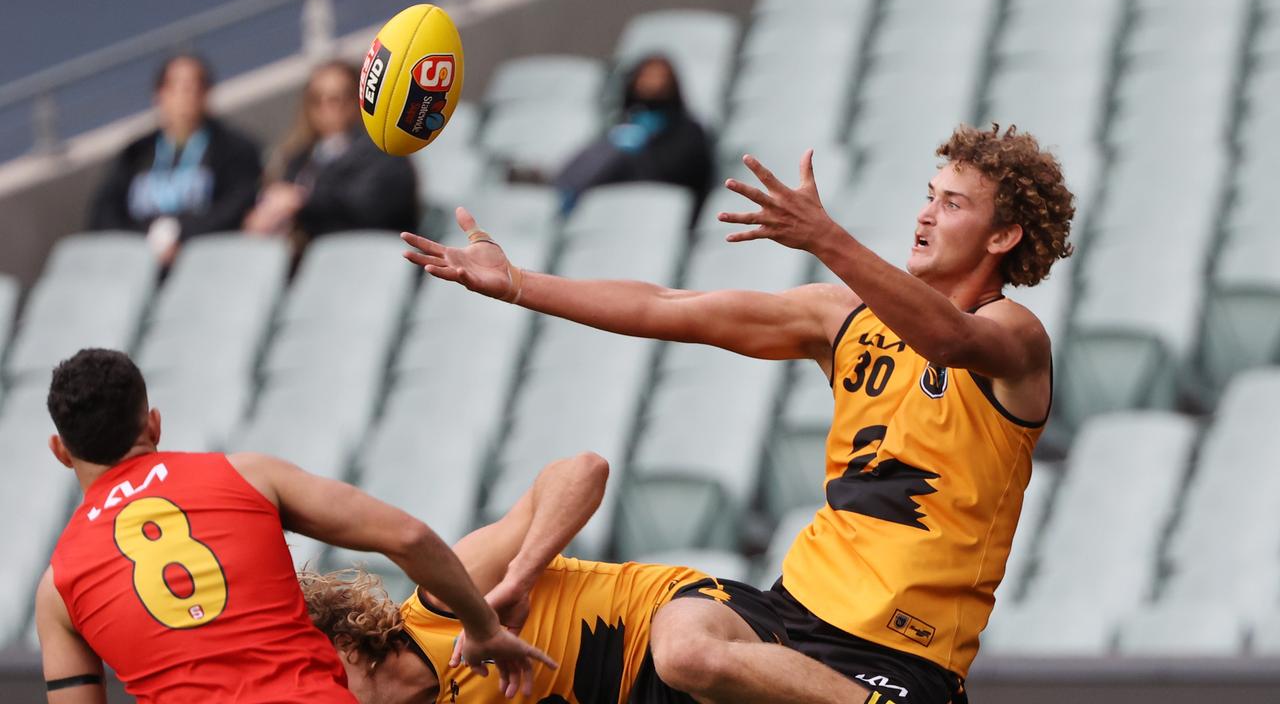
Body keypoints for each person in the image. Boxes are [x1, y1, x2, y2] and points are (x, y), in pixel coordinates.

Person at [401, 123, 1075, 703]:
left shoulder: (1016, 337)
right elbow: (671, 308)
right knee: (682, 642)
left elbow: (949, 340)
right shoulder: (840, 317)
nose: (925, 215)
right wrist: (518, 284)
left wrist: (826, 237)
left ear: (1004, 235)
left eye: (952, 204)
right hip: (792, 617)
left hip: (905, 657)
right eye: (929, 197)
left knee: (689, 657)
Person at [35, 349, 553, 703]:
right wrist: (482, 627)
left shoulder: (57, 589)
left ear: (61, 451)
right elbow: (408, 537)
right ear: (153, 423)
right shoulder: (247, 474)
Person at [302, 453, 871, 703]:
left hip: (669, 615)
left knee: (687, 657)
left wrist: (518, 580)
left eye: (314, 677)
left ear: (350, 647)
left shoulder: (441, 604)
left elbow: (582, 471)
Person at [87, 54, 262, 266]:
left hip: (205, 262)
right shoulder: (135, 153)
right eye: (176, 88)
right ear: (159, 95)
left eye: (194, 88)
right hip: (137, 263)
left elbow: (236, 204)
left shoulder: (235, 149)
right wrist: (144, 243)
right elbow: (104, 213)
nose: (185, 97)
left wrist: (183, 236)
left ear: (206, 94)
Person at [243, 60, 417, 255]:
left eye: (337, 98)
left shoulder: (383, 149)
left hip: (366, 256)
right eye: (317, 99)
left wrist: (302, 200)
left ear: (358, 99)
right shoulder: (298, 158)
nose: (328, 108)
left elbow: (369, 204)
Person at [554, 55, 713, 213]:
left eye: (660, 77)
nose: (652, 83)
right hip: (613, 200)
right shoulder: (622, 126)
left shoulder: (689, 130)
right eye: (646, 76)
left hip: (660, 203)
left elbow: (680, 173)